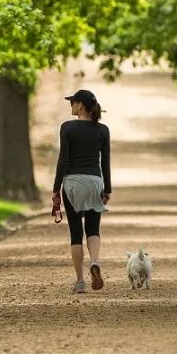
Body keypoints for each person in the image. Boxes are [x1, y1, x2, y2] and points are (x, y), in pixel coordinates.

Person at [52, 89, 111, 293]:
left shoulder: (67, 128)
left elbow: (63, 159)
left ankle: (79, 282)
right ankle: (94, 261)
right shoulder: (102, 130)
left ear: (80, 106)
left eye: (73, 102)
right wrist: (108, 189)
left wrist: (56, 189)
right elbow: (106, 162)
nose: (71, 106)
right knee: (93, 229)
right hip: (95, 181)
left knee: (76, 233)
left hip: (73, 183)